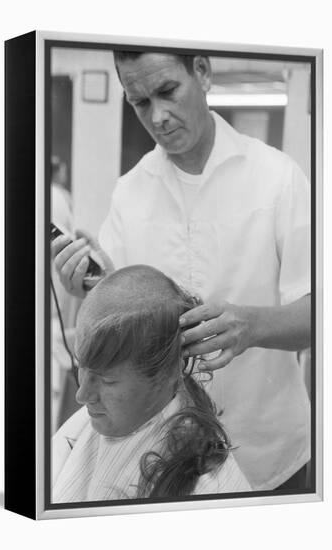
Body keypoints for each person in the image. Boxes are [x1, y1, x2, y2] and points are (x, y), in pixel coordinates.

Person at [52, 51, 311, 491]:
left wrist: (253, 325)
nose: (159, 117)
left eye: (168, 92)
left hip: (269, 453)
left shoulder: (278, 179)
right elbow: (125, 301)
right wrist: (91, 284)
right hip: (164, 461)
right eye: (139, 102)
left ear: (203, 72)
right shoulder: (130, 193)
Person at [52, 265, 251, 502]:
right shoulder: (97, 419)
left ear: (165, 375)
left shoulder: (208, 493)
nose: (82, 396)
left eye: (108, 380)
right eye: (80, 365)